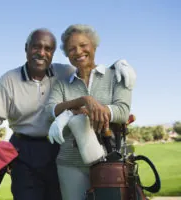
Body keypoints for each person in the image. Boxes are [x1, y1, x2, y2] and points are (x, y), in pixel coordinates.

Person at [0, 28, 135, 200]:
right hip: (24, 150)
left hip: (57, 147)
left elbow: (89, 66)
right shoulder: (9, 80)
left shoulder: (64, 72)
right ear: (26, 48)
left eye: (48, 49)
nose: (41, 53)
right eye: (36, 47)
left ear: (53, 53)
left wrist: (119, 63)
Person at [45, 24, 133, 200]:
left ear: (94, 45)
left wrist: (90, 111)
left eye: (83, 45)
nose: (78, 51)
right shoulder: (62, 84)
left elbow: (122, 110)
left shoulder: (116, 75)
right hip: (70, 165)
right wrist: (84, 101)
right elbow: (50, 110)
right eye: (71, 48)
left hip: (110, 162)